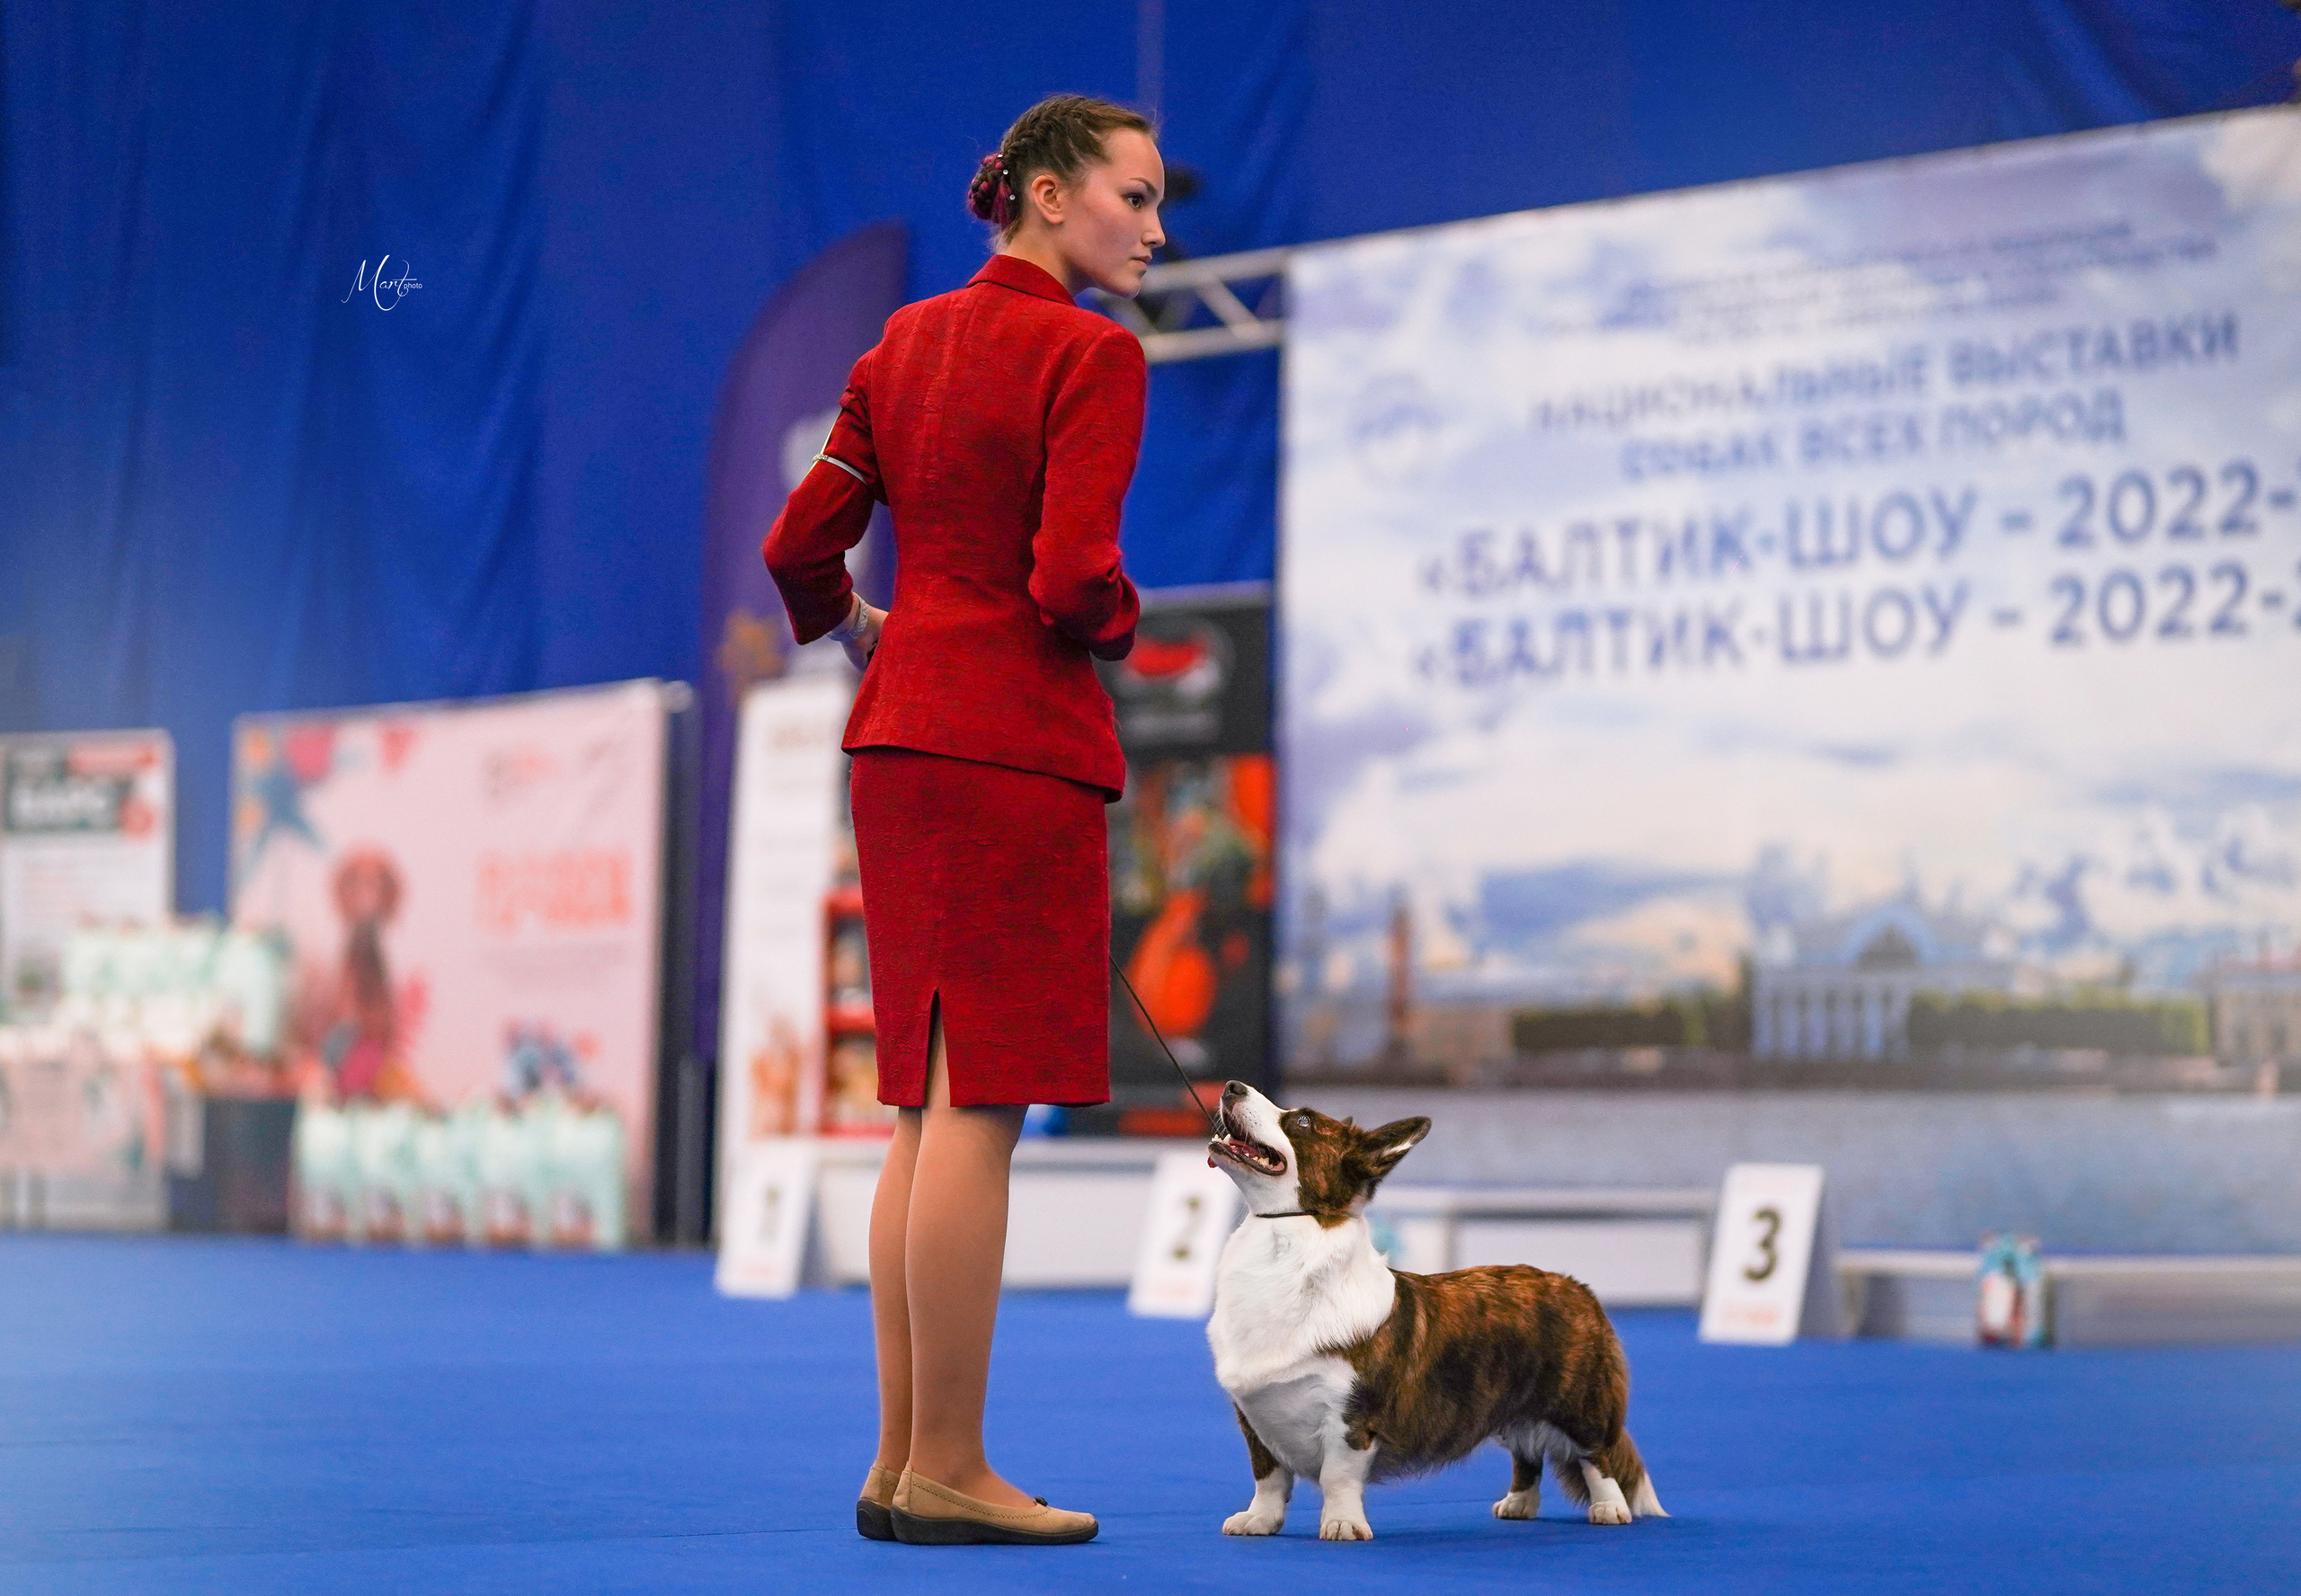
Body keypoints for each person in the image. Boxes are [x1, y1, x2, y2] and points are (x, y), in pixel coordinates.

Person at [761, 93, 1164, 1547]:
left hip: (900, 742)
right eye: (1135, 196)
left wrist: (862, 624)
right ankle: (949, 1466)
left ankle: (897, 1462)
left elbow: (797, 542)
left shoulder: (899, 347)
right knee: (978, 1107)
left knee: (921, 1111)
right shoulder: (1092, 356)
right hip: (1012, 752)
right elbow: (1070, 581)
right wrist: (1125, 625)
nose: (1155, 228)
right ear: (1048, 196)